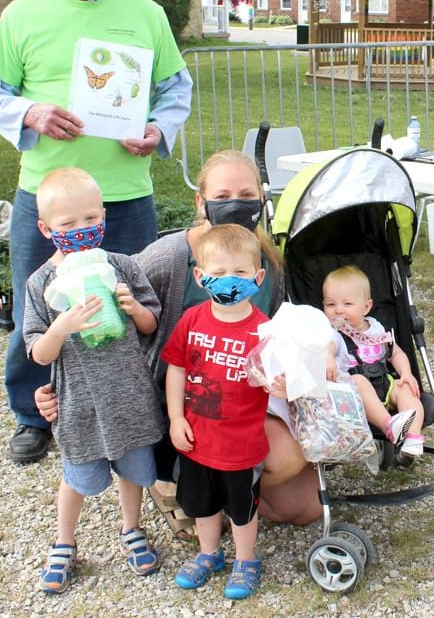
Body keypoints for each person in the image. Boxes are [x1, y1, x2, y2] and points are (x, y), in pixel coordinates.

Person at [0, 0, 193, 464]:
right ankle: (33, 413)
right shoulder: (22, 14)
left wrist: (157, 128)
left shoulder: (145, 13)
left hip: (124, 197)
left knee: (136, 304)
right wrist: (30, 114)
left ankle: (143, 410)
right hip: (46, 202)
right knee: (37, 310)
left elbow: (176, 88)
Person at [35, 151, 322, 531]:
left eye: (245, 194)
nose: (235, 204)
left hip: (240, 400)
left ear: (261, 201)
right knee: (283, 458)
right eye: (221, 197)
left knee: (305, 507)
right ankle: (182, 480)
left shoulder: (268, 263)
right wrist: (57, 387)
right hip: (175, 407)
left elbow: (272, 339)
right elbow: (95, 321)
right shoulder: (168, 257)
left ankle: (218, 489)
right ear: (201, 202)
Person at [24, 168, 163, 594]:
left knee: (133, 468)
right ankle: (64, 541)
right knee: (77, 472)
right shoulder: (41, 283)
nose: (82, 230)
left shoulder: (121, 266)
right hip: (80, 400)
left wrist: (133, 307)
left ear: (103, 215)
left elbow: (151, 323)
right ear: (47, 228)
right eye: (68, 224)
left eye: (90, 219)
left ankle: (131, 528)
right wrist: (60, 326)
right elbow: (37, 351)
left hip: (129, 394)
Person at [162, 224, 272, 599]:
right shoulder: (192, 320)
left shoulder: (264, 330)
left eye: (240, 272)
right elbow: (176, 367)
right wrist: (176, 418)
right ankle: (209, 553)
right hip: (196, 440)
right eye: (219, 272)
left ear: (258, 277)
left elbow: (276, 380)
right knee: (201, 504)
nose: (230, 280)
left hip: (241, 444)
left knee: (242, 507)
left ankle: (245, 559)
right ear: (200, 276)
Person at [323, 266, 425, 456]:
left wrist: (405, 374)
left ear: (366, 307)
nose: (338, 310)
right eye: (330, 305)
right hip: (352, 396)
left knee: (405, 390)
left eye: (347, 304)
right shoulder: (333, 333)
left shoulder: (376, 327)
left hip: (383, 382)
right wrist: (328, 358)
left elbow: (395, 353)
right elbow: (327, 347)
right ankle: (389, 426)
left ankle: (412, 438)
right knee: (359, 381)